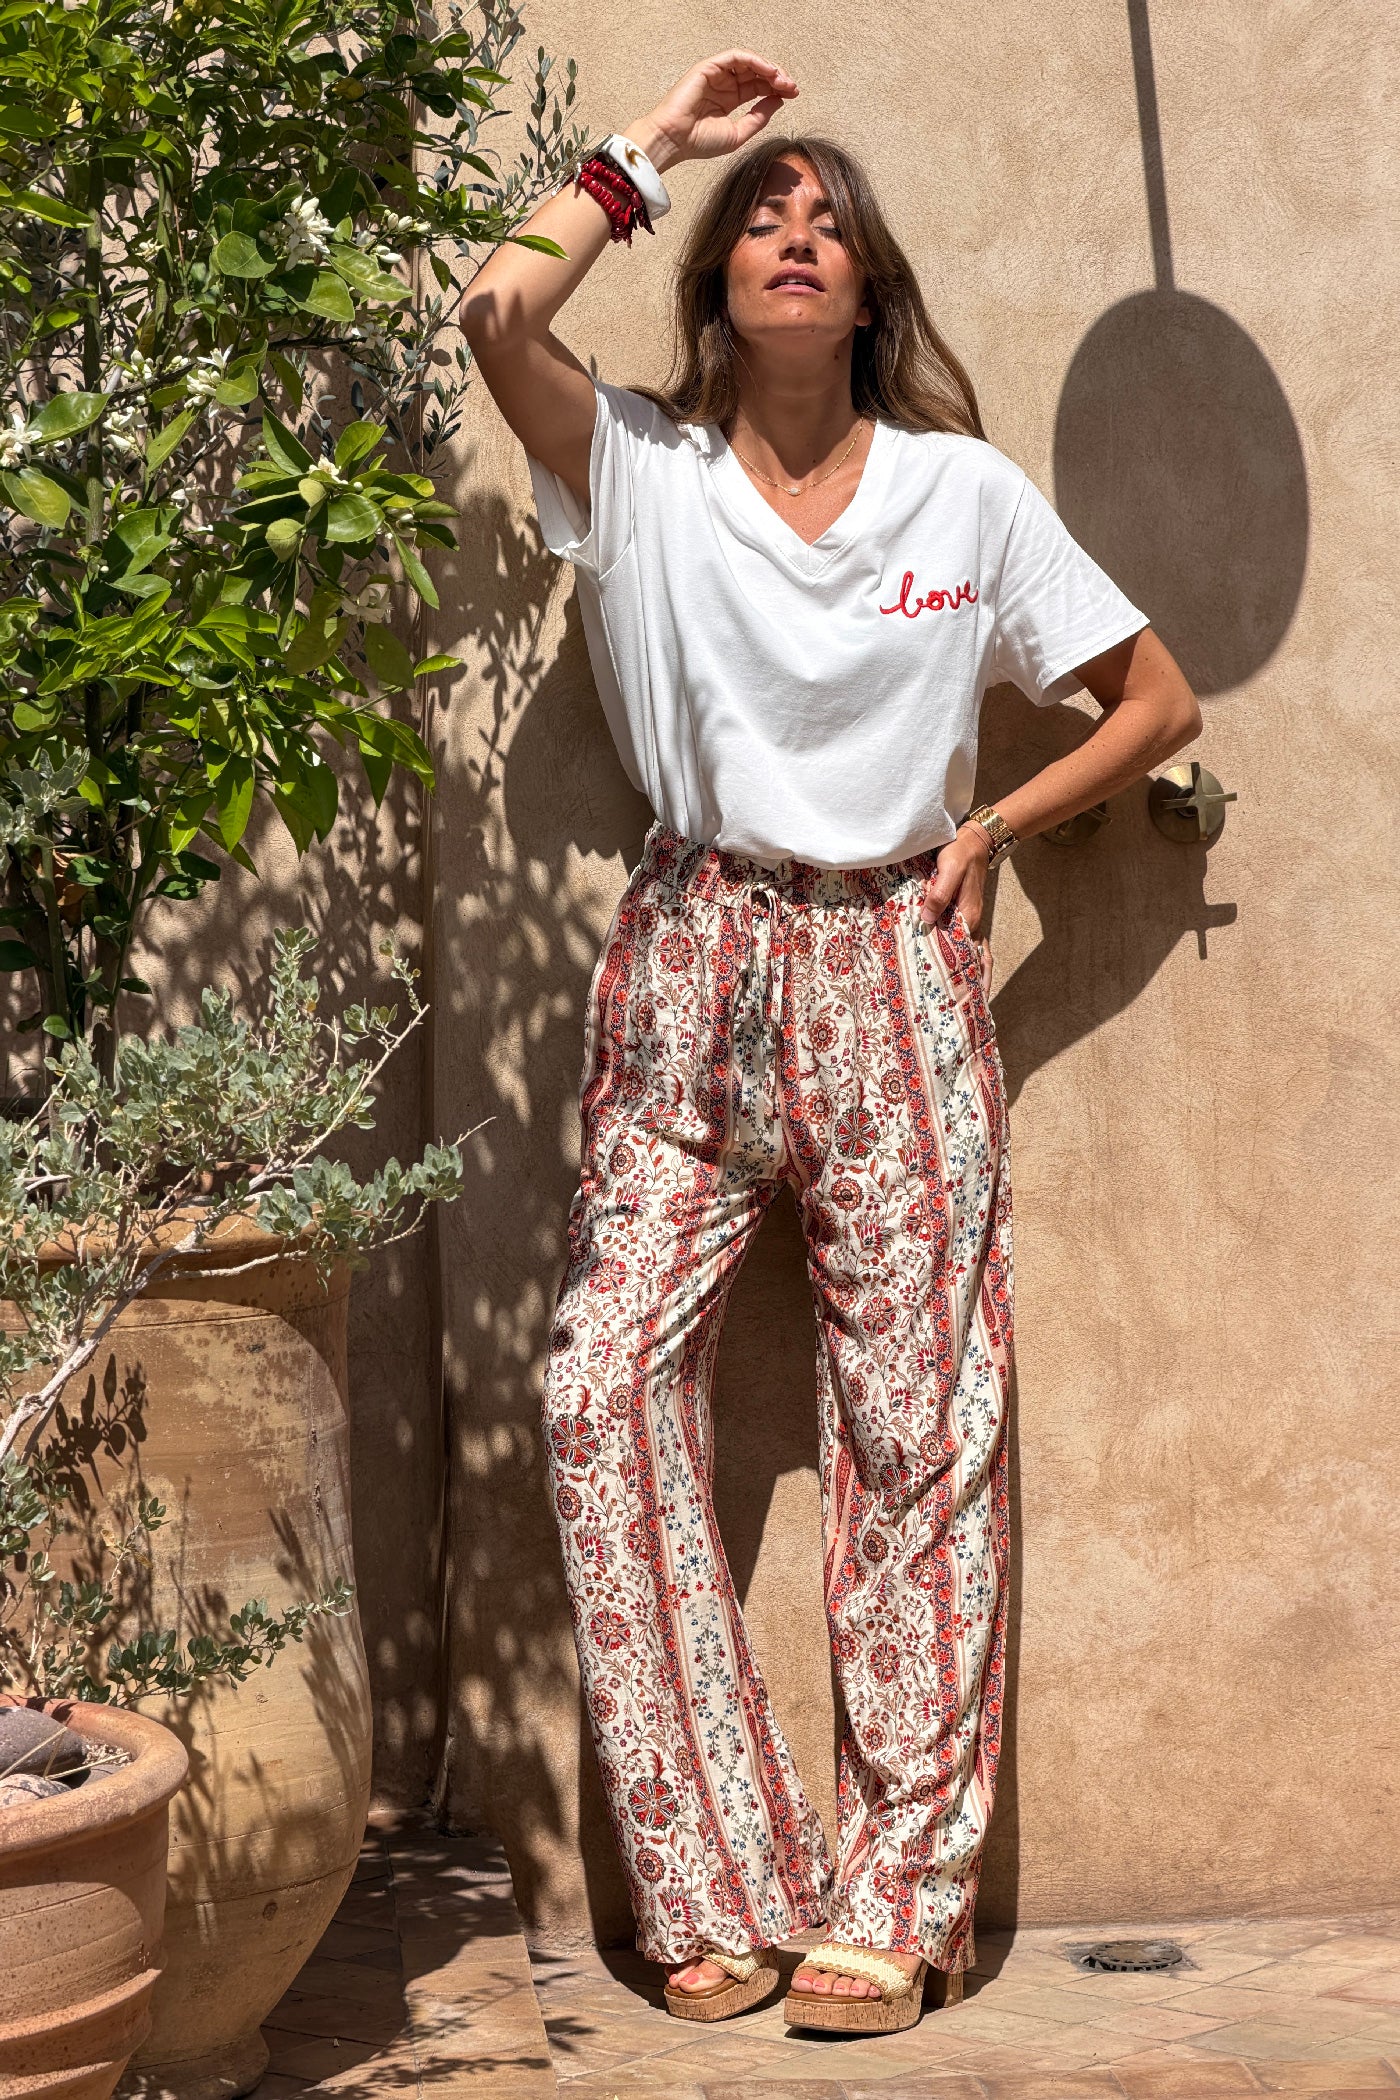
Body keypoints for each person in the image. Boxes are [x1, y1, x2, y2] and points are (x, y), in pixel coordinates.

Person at [461, 49, 1201, 2037]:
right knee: (600, 1385)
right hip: (693, 948)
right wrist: (648, 156)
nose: (795, 234)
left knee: (922, 1433)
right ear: (720, 282)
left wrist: (991, 827)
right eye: (762, 218)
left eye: (829, 220)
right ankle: (706, 1886)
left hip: (894, 954)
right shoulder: (642, 470)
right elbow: (490, 312)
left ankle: (896, 1899)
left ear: (869, 290)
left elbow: (1152, 701)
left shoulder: (967, 494)